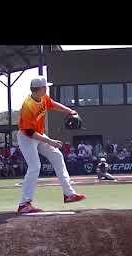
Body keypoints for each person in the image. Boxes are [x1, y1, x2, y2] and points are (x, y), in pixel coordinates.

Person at [16, 76, 86, 215]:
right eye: (45, 87)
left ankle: (69, 194)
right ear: (40, 89)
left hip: (38, 134)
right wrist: (50, 141)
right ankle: (24, 204)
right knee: (35, 166)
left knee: (57, 156)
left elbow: (53, 104)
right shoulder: (27, 105)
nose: (47, 88)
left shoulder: (43, 98)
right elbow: (29, 132)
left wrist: (69, 111)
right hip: (27, 137)